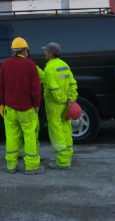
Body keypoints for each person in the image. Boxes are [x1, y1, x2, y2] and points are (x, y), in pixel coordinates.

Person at [0, 37, 44, 175]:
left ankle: (11, 166)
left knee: (11, 137)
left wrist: (4, 103)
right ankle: (31, 167)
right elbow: (36, 88)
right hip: (27, 109)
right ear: (24, 51)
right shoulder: (30, 65)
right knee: (29, 137)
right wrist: (36, 104)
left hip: (10, 109)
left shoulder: (5, 64)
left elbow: (0, 89)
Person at [42, 42, 77, 170]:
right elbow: (73, 83)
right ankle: (67, 157)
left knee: (56, 131)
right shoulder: (64, 65)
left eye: (46, 50)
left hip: (55, 105)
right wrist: (70, 98)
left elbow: (53, 88)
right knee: (66, 129)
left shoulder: (49, 68)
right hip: (67, 104)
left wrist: (62, 99)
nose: (44, 52)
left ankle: (62, 162)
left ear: (51, 53)